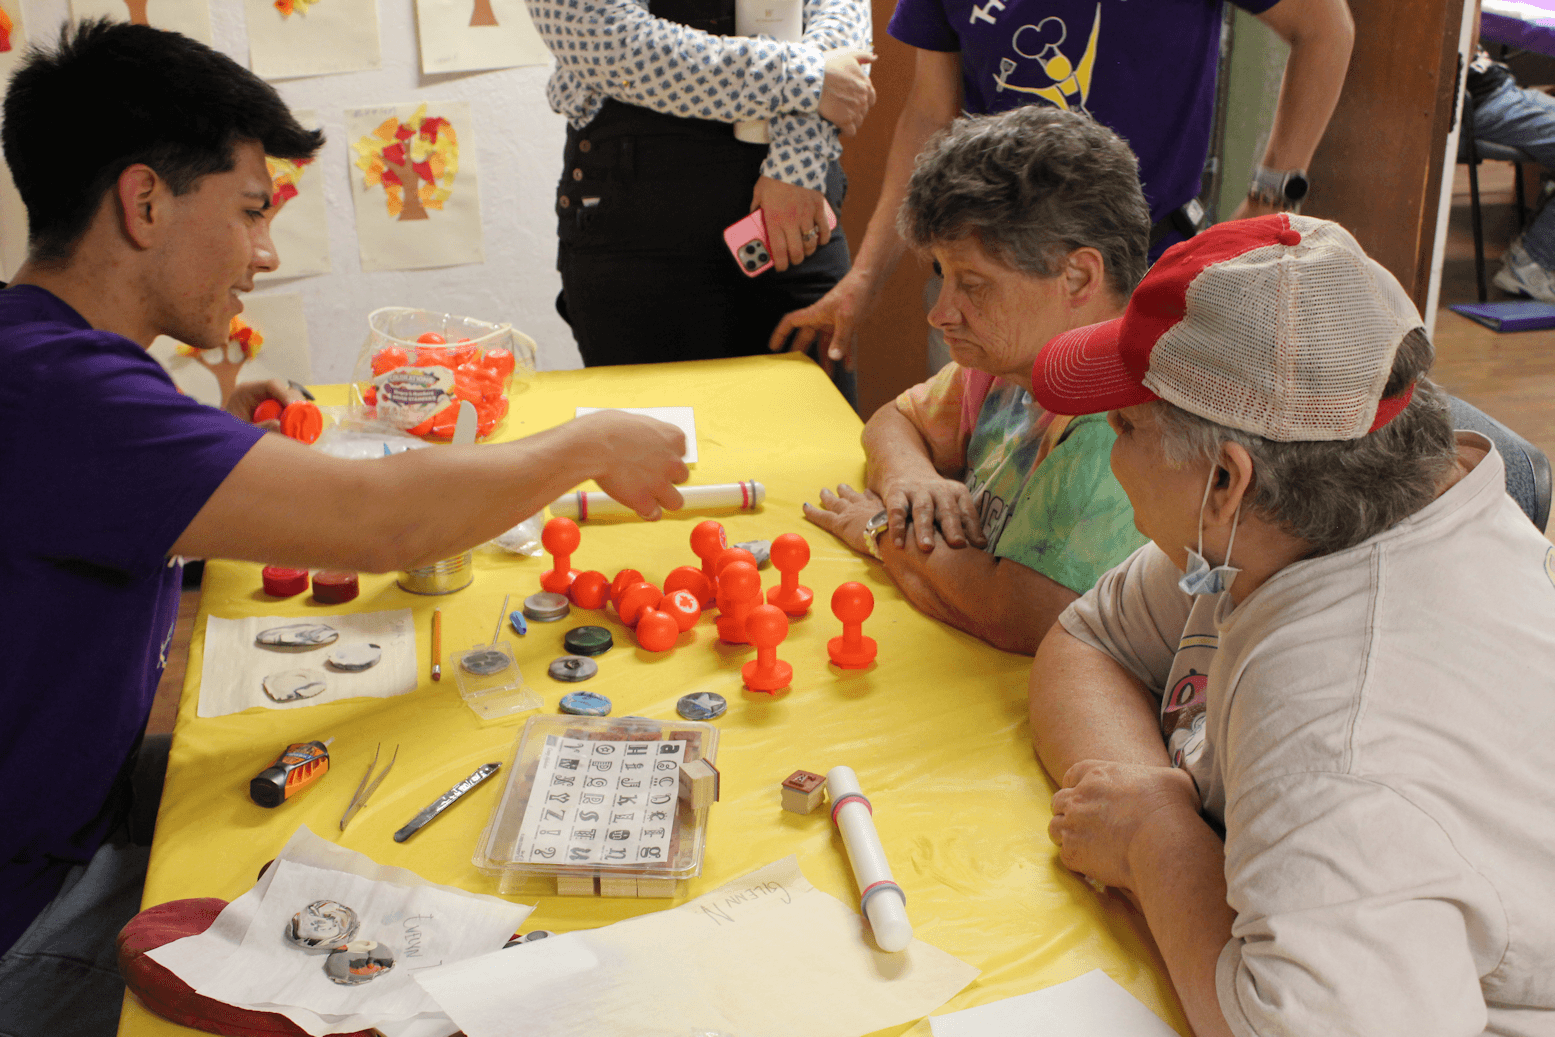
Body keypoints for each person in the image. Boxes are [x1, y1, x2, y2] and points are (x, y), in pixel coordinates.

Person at [0, 23, 689, 1035]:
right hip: (31, 902)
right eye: (248, 212)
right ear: (144, 202)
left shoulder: (48, 364)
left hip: (72, 809)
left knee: (376, 778)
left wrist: (221, 455)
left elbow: (91, 510)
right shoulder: (62, 393)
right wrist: (582, 443)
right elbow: (381, 521)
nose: (266, 254)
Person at [1026, 214, 1555, 1035]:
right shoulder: (1296, 521)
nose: (1109, 454)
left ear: (1225, 480)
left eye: (1125, 426)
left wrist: (1158, 844)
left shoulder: (1344, 741)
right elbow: (1088, 637)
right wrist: (1147, 799)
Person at [769, 0, 1355, 374]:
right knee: (975, 479)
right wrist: (868, 274)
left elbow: (1325, 29)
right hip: (987, 281)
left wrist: (1269, 195)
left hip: (1147, 274)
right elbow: (930, 111)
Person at [801, 107, 1147, 654]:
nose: (941, 314)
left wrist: (884, 532)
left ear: (1078, 275)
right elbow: (894, 419)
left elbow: (1019, 618)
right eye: (943, 276)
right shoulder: (1005, 367)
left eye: (974, 285)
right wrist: (909, 480)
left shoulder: (1121, 422)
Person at [532, 0, 875, 393]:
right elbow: (602, 38)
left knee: (820, 443)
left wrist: (795, 163)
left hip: (794, 215)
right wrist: (807, 81)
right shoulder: (808, 80)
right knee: (656, 444)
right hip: (640, 233)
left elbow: (843, 31)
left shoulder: (796, 172)